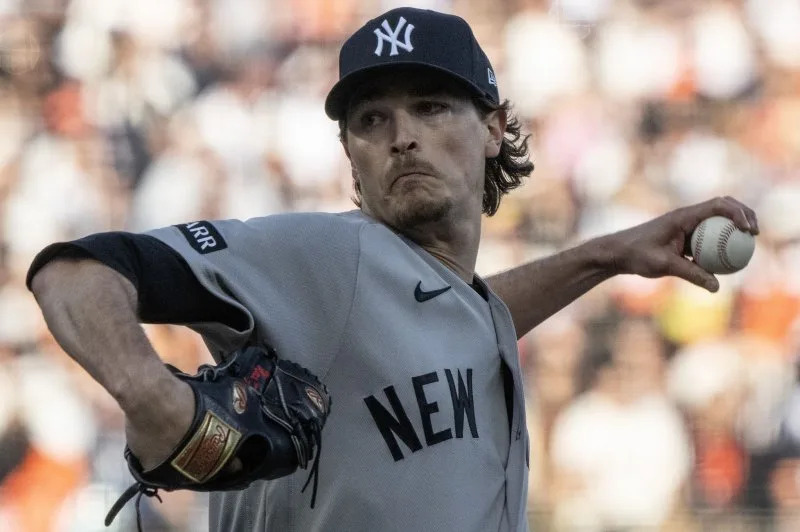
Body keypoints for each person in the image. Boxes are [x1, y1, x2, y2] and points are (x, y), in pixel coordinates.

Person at [26, 7, 758, 532]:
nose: (402, 137)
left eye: (431, 107)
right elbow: (77, 272)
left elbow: (461, 323)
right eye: (371, 121)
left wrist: (606, 255)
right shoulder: (324, 256)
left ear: (495, 125)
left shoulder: (431, 298)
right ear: (350, 153)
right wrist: (149, 392)